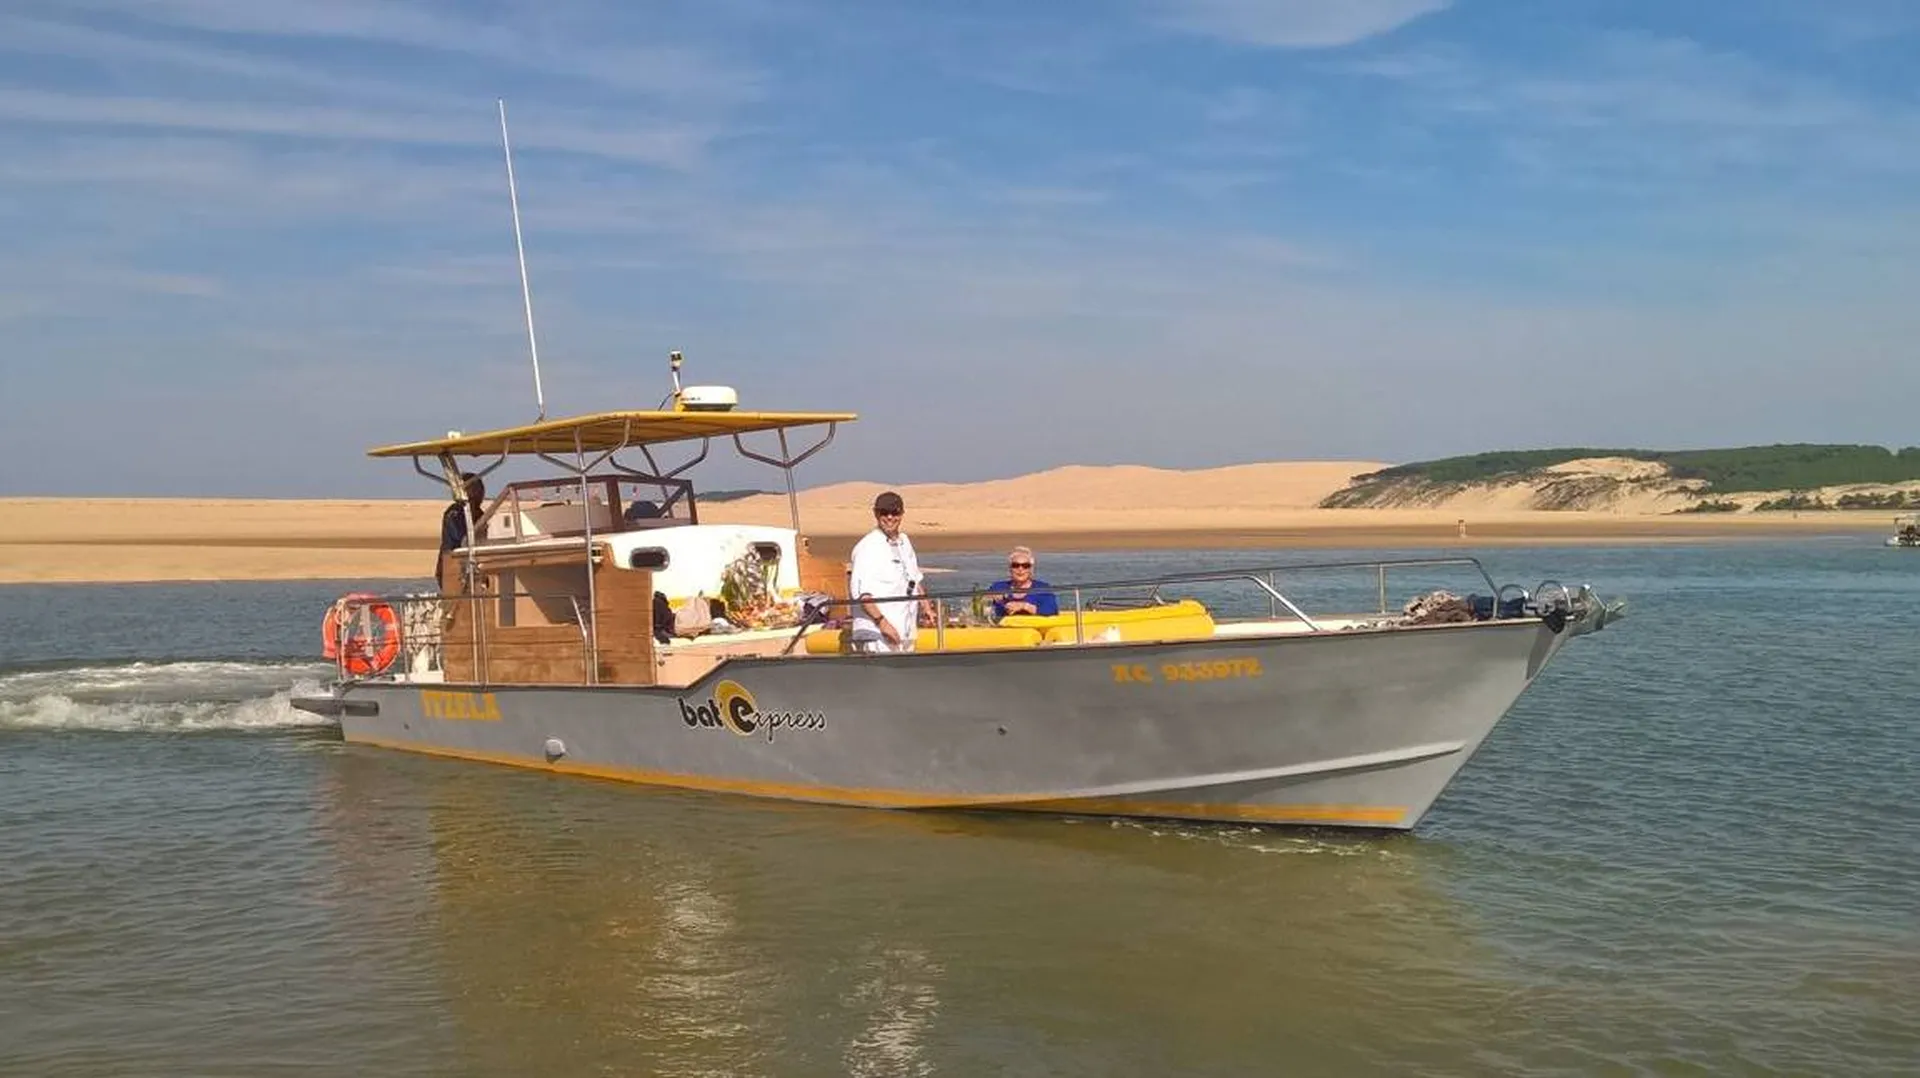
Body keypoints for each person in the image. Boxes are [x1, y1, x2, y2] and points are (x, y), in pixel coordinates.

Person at [847, 491, 934, 652]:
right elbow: (863, 595)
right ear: (875, 513)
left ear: (901, 514)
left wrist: (926, 607)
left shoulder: (904, 542)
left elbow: (914, 579)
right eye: (884, 512)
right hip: (878, 635)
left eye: (895, 512)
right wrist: (883, 624)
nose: (889, 517)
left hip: (905, 631)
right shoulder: (867, 547)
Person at [436, 473, 485, 591]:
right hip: (453, 567)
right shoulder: (455, 513)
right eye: (476, 488)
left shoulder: (479, 513)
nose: (481, 492)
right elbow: (464, 539)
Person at [984, 546, 1060, 619]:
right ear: (1010, 568)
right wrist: (989, 598)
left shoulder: (1042, 588)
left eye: (1025, 566)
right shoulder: (998, 587)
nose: (1020, 569)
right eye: (1015, 565)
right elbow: (981, 606)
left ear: (1031, 569)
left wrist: (1024, 606)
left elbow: (1052, 611)